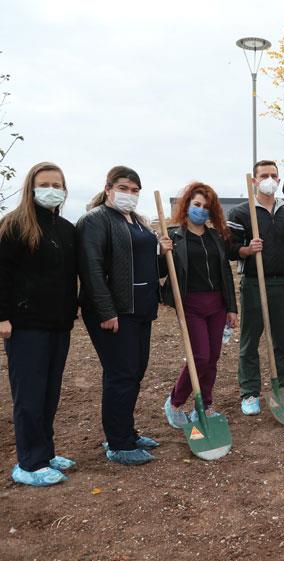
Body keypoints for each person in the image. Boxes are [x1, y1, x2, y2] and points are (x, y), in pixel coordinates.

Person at [77, 166, 168, 466]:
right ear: (108, 189)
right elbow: (90, 269)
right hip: (115, 312)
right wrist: (106, 311)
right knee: (121, 374)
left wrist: (162, 253)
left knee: (135, 372)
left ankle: (126, 431)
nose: (129, 194)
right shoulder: (95, 221)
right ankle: (118, 444)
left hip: (140, 309)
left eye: (134, 190)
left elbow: (151, 267)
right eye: (123, 188)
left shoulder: (139, 222)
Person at [0, 162, 77, 486]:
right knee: (29, 395)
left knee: (49, 393)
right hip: (25, 325)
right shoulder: (14, 226)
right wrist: (2, 316)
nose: (51, 189)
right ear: (32, 188)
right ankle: (29, 462)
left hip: (58, 324)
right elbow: (1, 274)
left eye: (57, 184)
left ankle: (45, 451)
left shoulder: (66, 229)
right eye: (44, 183)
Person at [161, 182, 238, 428]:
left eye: (206, 207)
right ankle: (175, 401)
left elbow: (226, 272)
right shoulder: (174, 236)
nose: (201, 210)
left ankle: (203, 405)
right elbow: (162, 272)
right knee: (200, 357)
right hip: (191, 304)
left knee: (213, 356)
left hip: (217, 303)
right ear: (187, 206)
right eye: (197, 205)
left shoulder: (216, 237)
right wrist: (162, 254)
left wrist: (232, 307)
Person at [227, 160, 284, 414]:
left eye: (274, 175)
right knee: (250, 338)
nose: (269, 179)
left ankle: (283, 386)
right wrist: (247, 250)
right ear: (254, 181)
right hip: (254, 282)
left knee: (281, 338)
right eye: (264, 175)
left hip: (282, 282)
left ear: (279, 180)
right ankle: (249, 392)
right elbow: (229, 248)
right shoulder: (240, 212)